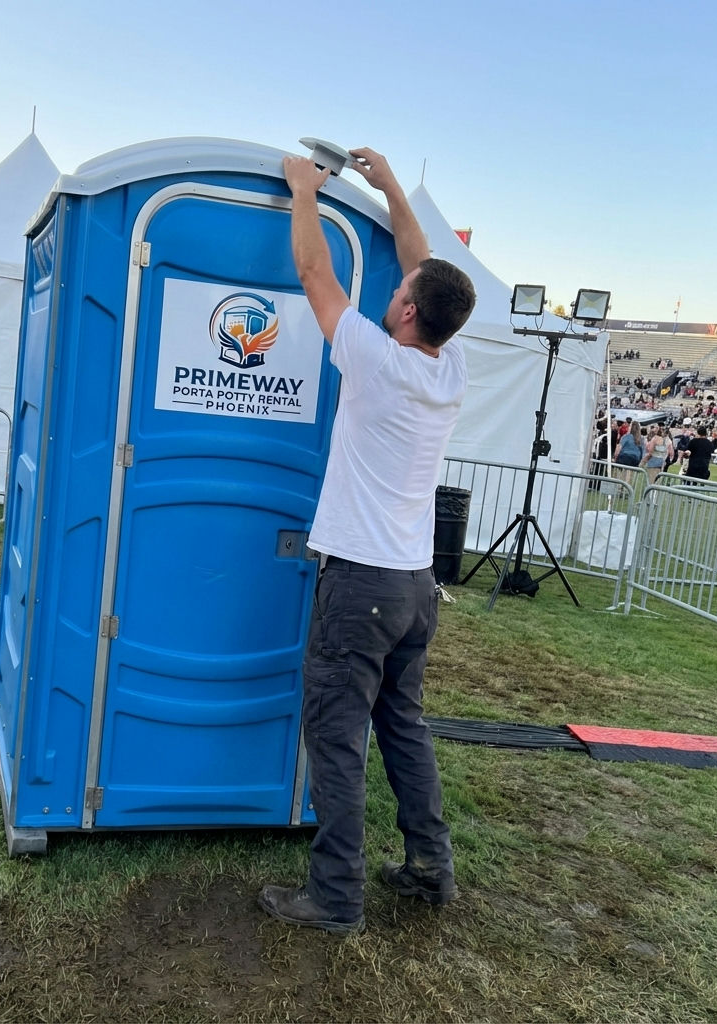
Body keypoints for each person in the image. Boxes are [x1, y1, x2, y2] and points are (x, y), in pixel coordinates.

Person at [257, 147, 476, 936]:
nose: (392, 292)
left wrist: (303, 193)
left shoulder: (375, 359)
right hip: (415, 587)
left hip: (362, 586)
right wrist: (389, 189)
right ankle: (429, 867)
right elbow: (428, 270)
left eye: (399, 293)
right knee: (403, 728)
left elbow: (316, 273)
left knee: (338, 737)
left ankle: (335, 897)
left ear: (410, 314)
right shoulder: (449, 367)